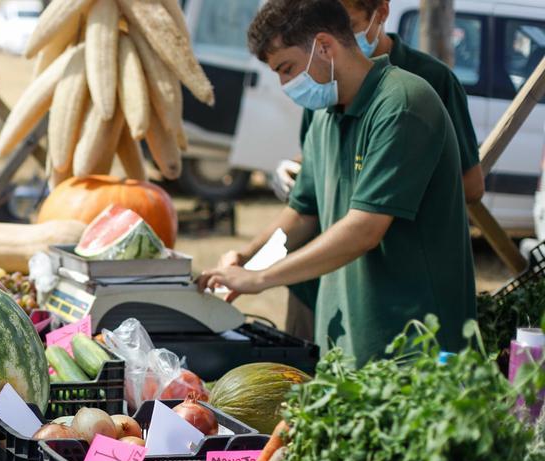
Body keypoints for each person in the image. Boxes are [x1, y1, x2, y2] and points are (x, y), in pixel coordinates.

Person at [197, 0, 476, 364]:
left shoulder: (403, 104)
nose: (285, 85)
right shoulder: (324, 116)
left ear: (325, 46)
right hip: (349, 345)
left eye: (287, 69)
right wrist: (245, 259)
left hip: (416, 345)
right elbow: (303, 213)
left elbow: (364, 229)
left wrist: (262, 278)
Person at [266, 0, 484, 340]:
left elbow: (469, 185)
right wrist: (249, 260)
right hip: (333, 294)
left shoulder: (412, 93)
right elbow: (305, 206)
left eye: (348, 24)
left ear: (380, 13)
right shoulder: (325, 96)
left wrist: (397, 181)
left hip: (406, 316)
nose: (341, 39)